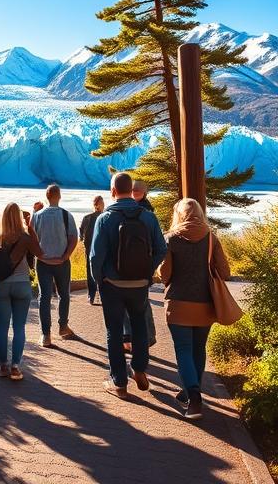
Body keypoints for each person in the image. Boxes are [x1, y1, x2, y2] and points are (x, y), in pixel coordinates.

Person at [90, 172, 167, 398]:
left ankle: (119, 382)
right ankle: (140, 368)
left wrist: (100, 280)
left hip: (112, 285)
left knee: (114, 331)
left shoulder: (104, 219)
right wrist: (146, 270)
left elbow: (95, 256)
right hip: (139, 284)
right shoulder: (148, 217)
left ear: (113, 191)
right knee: (139, 326)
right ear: (131, 190)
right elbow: (162, 249)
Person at [161, 198, 230, 420]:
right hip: (205, 303)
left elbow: (164, 274)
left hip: (179, 303)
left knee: (183, 350)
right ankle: (191, 390)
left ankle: (194, 398)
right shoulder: (211, 238)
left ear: (179, 214)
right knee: (198, 349)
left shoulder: (171, 239)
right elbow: (225, 271)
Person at [0, 202, 44, 380]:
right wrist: (31, 230)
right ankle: (15, 366)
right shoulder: (26, 237)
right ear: (20, 217)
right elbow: (40, 253)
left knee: (2, 327)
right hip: (22, 285)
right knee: (19, 327)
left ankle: (2, 366)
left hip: (1, 285)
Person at [31, 184, 78, 347]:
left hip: (43, 262)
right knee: (64, 295)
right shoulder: (67, 215)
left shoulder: (37, 216)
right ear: (59, 196)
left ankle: (46, 335)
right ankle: (63, 327)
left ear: (47, 196)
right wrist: (66, 255)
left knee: (44, 297)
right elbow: (73, 238)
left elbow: (31, 236)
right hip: (62, 262)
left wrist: (39, 254)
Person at [124, 180, 157, 349]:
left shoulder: (130, 210)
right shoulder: (149, 212)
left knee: (133, 305)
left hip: (127, 265)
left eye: (136, 190)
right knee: (141, 303)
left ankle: (136, 339)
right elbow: (159, 246)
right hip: (143, 264)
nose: (134, 192)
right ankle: (143, 338)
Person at [79, 196, 104, 304]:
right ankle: (97, 294)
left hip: (90, 249)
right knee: (100, 271)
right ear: (98, 204)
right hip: (98, 248)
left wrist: (83, 240)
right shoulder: (103, 217)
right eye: (102, 203)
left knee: (91, 271)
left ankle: (92, 295)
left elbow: (81, 233)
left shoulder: (87, 217)